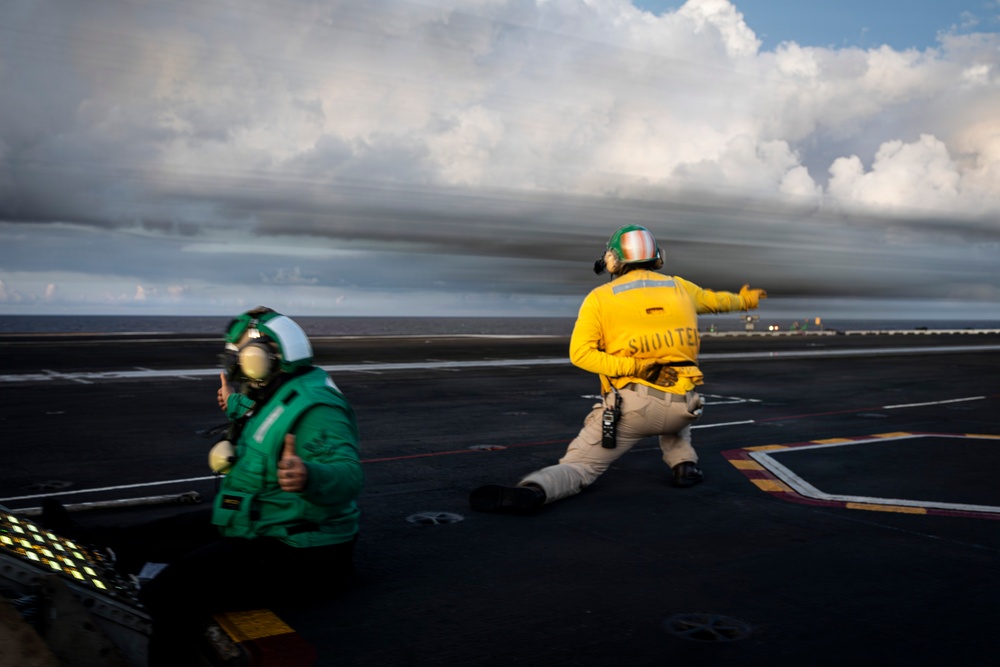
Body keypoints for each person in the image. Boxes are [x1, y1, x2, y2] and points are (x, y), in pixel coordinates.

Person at [469, 225, 766, 514]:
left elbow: (580, 354)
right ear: (657, 257)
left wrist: (639, 368)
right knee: (674, 403)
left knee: (580, 466)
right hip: (686, 405)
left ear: (612, 260)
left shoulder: (600, 297)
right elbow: (716, 302)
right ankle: (685, 466)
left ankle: (535, 490)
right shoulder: (680, 287)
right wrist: (745, 300)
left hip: (634, 408)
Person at [136, 306, 365, 665]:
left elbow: (349, 475)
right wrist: (234, 403)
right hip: (260, 521)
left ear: (261, 358)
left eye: (241, 355)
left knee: (168, 594)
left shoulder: (318, 409)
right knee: (156, 534)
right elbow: (265, 415)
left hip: (302, 553)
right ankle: (86, 540)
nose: (236, 363)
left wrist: (308, 475)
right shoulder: (280, 389)